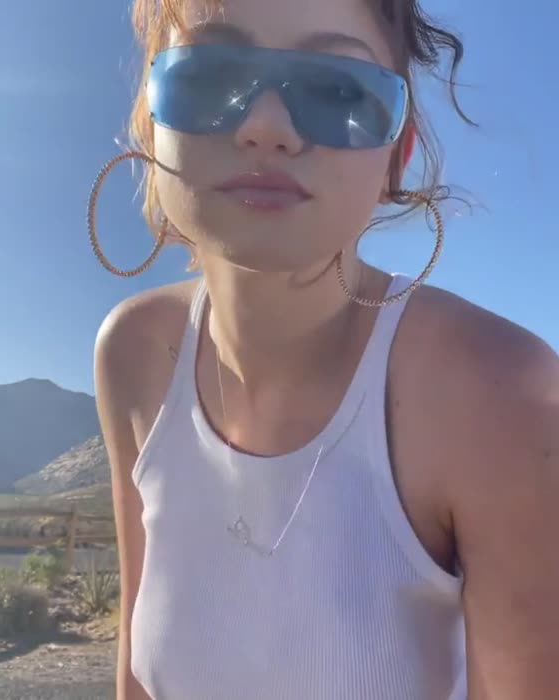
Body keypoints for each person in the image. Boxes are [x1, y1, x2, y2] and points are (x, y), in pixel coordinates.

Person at [91, 0, 559, 698]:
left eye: (338, 91)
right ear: (149, 120)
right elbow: (137, 674)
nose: (266, 126)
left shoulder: (497, 392)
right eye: (211, 74)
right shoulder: (134, 352)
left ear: (395, 156)